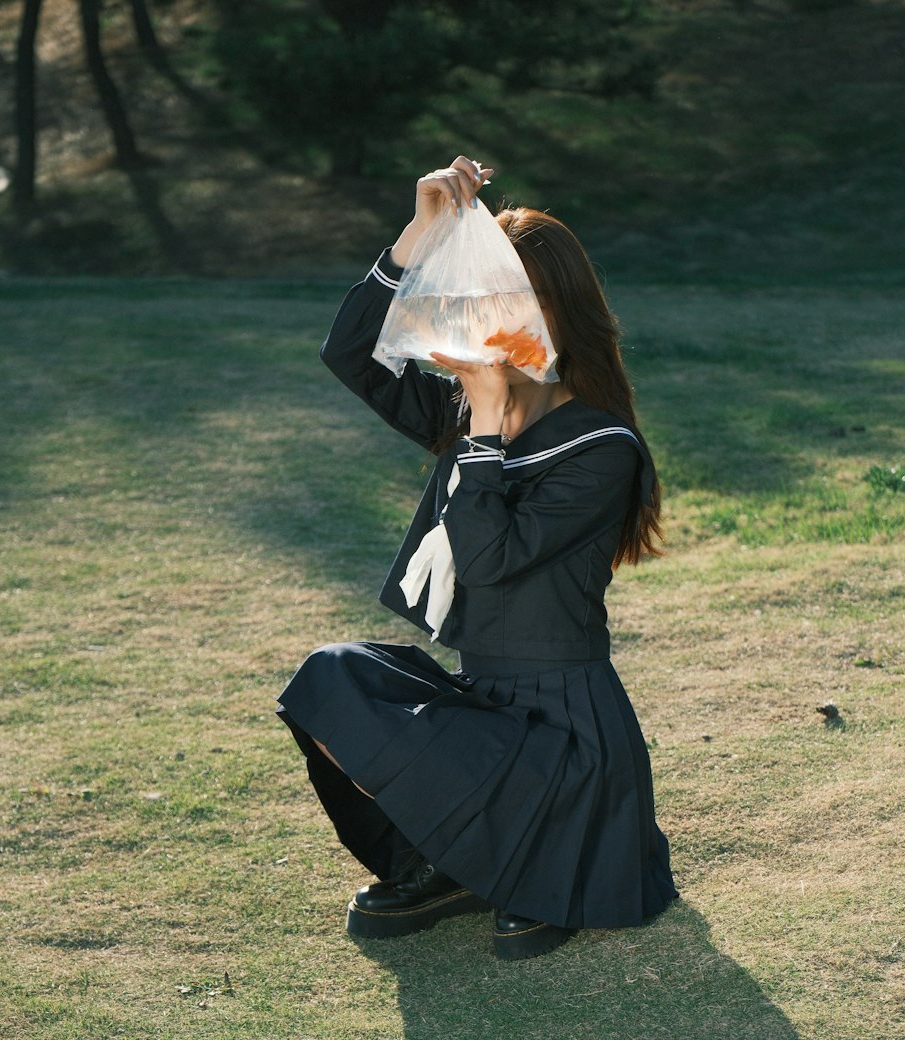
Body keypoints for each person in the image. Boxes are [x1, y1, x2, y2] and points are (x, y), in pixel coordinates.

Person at [277, 155, 677, 960]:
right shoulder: (465, 410)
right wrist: (420, 232)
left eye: (515, 303)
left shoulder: (603, 447)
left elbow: (490, 562)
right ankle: (446, 862)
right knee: (330, 680)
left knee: (524, 931)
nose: (494, 320)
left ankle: (518, 856)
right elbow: (351, 354)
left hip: (566, 729)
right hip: (483, 702)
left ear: (557, 312)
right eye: (482, 299)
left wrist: (488, 430)